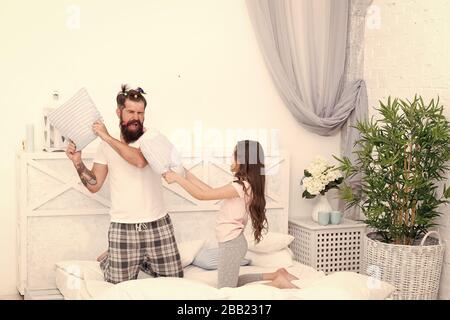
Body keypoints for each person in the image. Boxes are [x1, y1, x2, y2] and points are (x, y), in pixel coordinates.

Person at [65, 84, 183, 284]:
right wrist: (78, 162)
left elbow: (139, 161)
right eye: (130, 112)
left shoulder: (151, 138)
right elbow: (94, 185)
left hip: (158, 225)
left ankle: (119, 258)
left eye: (140, 113)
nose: (136, 117)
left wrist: (106, 137)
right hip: (123, 228)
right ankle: (112, 259)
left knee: (176, 283)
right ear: (119, 112)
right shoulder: (106, 146)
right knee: (117, 288)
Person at [163, 140, 298, 289]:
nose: (231, 159)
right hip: (233, 242)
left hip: (231, 244)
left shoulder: (240, 186)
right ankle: (275, 275)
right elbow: (209, 191)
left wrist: (177, 179)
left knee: (226, 289)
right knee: (229, 283)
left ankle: (276, 283)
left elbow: (202, 195)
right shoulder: (245, 184)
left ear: (242, 160)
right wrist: (186, 174)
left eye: (233, 156)